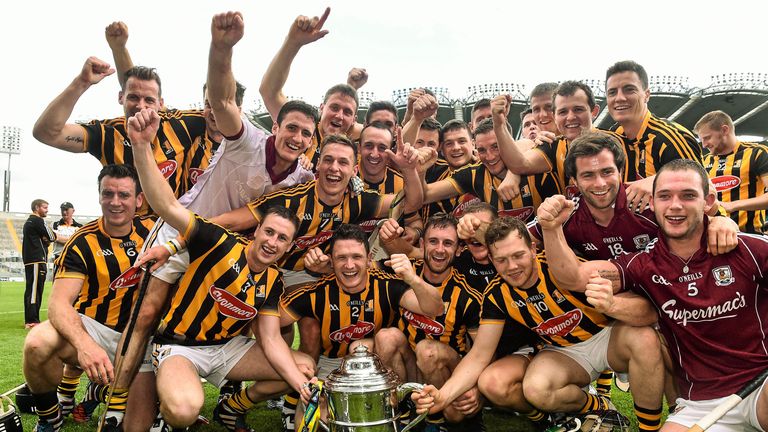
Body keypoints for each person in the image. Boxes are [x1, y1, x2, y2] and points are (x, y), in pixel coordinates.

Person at [108, 11, 318, 427]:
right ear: (275, 125)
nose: (296, 138)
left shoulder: (302, 175)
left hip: (224, 245)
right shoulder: (247, 140)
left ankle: (218, 398)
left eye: (305, 134)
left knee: (235, 318)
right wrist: (222, 47)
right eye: (290, 128)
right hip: (183, 227)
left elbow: (252, 218)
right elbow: (223, 99)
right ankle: (118, 401)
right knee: (149, 315)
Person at [534, 159, 767, 431]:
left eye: (688, 195)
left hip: (761, 386)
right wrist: (551, 228)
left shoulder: (748, 249)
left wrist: (723, 219)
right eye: (665, 196)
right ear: (652, 203)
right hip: (700, 403)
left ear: (708, 201)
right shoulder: (642, 265)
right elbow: (573, 277)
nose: (675, 205)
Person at [127, 107, 316, 431]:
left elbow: (271, 340)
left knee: (305, 367)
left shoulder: (272, 280)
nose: (272, 242)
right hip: (181, 347)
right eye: (268, 232)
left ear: (289, 246)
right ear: (255, 230)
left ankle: (232, 405)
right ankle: (160, 405)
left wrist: (300, 384)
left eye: (282, 239)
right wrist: (142, 146)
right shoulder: (218, 241)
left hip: (227, 352)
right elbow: (168, 206)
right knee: (184, 409)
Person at [22, 165, 157, 432]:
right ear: (99, 196)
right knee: (37, 342)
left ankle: (101, 394)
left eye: (124, 195)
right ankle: (51, 418)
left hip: (144, 337)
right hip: (95, 328)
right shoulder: (83, 241)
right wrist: (85, 345)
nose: (115, 202)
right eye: (108, 194)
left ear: (139, 200)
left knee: (155, 416)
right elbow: (58, 304)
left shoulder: (156, 232)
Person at [279, 223, 443, 429]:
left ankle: (401, 409)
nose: (349, 265)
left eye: (356, 257)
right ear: (331, 261)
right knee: (308, 421)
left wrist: (412, 279)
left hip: (384, 364)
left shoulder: (386, 284)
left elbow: (435, 308)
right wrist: (298, 362)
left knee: (386, 337)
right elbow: (267, 324)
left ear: (368, 259)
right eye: (341, 258)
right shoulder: (315, 293)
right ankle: (293, 401)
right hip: (333, 366)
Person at [32, 57, 207, 212]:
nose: (140, 106)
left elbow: (223, 112)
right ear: (120, 97)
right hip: (124, 231)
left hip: (170, 232)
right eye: (133, 97)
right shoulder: (107, 133)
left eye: (149, 100)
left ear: (161, 104)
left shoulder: (180, 124)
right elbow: (46, 133)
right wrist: (82, 82)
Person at [375, 214, 484, 429]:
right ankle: (402, 411)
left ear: (459, 249)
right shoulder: (400, 270)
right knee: (385, 337)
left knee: (427, 351)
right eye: (433, 241)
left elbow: (483, 351)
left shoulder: (469, 295)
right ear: (422, 244)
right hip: (409, 367)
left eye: (448, 243)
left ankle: (438, 422)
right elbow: (359, 270)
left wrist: (477, 389)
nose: (440, 249)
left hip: (447, 371)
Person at [606, 60, 701, 212]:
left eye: (629, 90)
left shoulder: (670, 137)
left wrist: (659, 181)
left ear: (646, 95)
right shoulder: (613, 136)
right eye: (612, 92)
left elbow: (703, 186)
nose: (619, 98)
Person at [695, 110, 768, 234]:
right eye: (702, 139)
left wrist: (732, 205)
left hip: (748, 235)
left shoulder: (758, 153)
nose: (704, 145)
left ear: (724, 130)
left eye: (707, 138)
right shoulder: (704, 161)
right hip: (711, 235)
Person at [22, 199, 56, 329]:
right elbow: (52, 237)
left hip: (31, 260)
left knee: (31, 289)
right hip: (37, 259)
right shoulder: (38, 221)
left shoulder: (29, 222)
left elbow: (47, 239)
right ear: (37, 208)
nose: (47, 210)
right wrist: (46, 239)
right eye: (45, 207)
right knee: (35, 290)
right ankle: (32, 321)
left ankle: (30, 319)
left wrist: (45, 240)